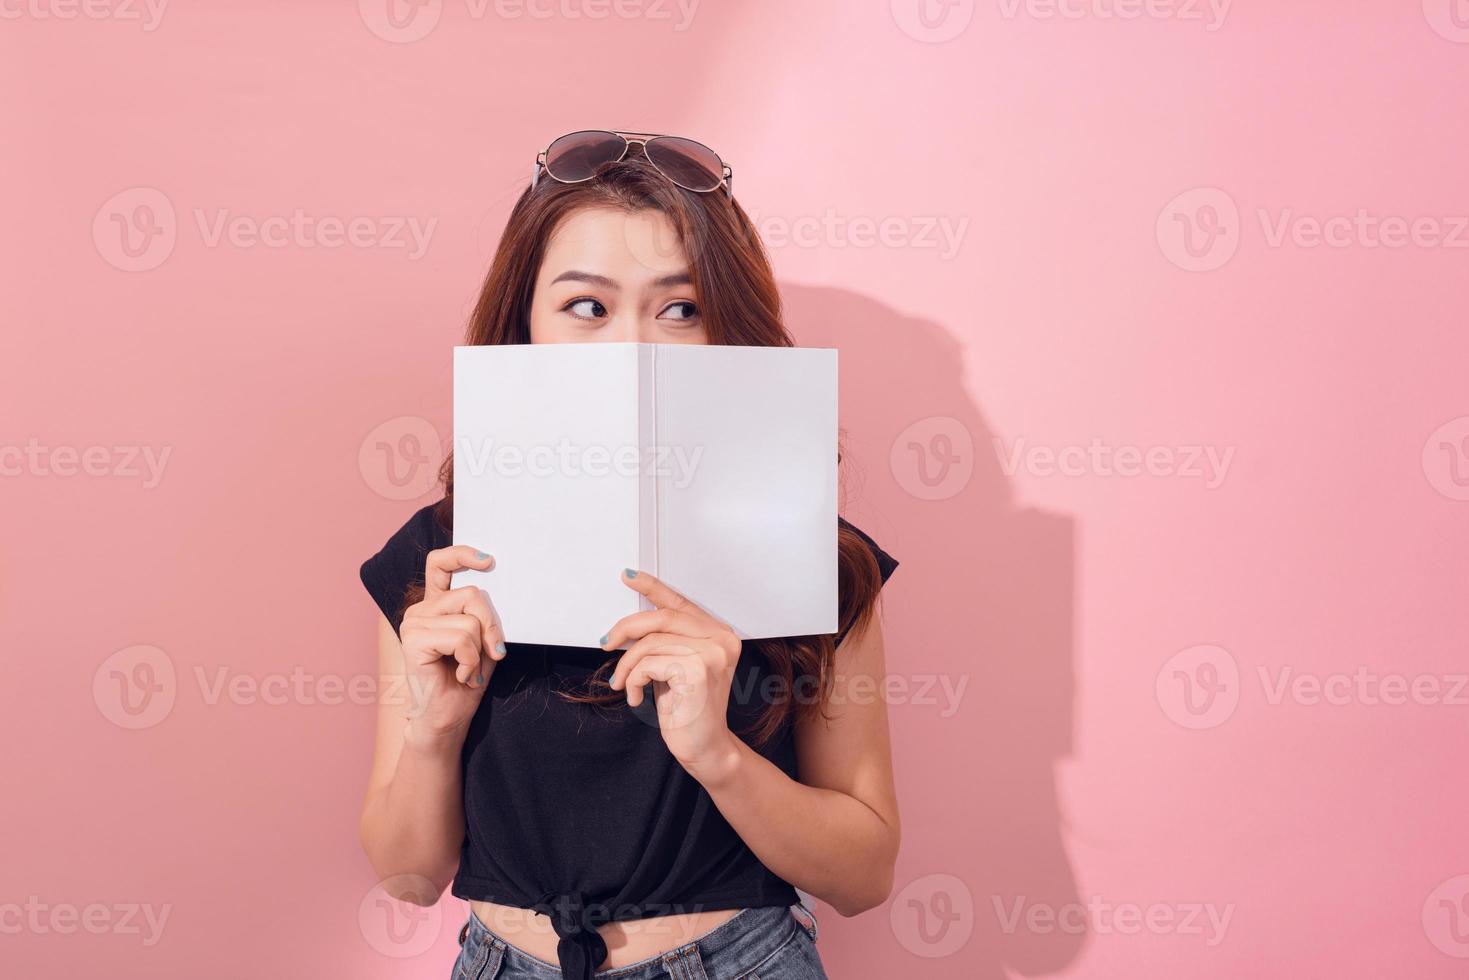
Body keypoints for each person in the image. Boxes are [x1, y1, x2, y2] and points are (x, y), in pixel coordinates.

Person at [358, 131, 901, 980]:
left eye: (680, 308)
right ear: (524, 324)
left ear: (727, 328)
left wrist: (718, 755)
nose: (631, 348)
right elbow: (409, 875)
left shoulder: (816, 559)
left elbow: (863, 877)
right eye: (586, 307)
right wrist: (435, 729)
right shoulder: (441, 559)